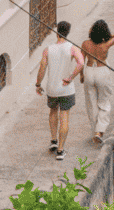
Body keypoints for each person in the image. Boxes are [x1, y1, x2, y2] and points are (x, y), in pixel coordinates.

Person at [35, 20, 83, 160]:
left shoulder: (48, 49)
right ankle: (61, 150)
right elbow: (80, 63)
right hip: (66, 89)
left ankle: (53, 141)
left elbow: (42, 68)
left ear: (57, 32)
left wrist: (38, 84)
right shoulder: (73, 48)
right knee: (64, 117)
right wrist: (70, 77)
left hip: (52, 89)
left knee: (53, 112)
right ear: (68, 32)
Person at [80, 19, 114, 143]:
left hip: (89, 71)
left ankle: (95, 130)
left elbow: (81, 62)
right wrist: (105, 35)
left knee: (91, 102)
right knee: (104, 101)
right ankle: (99, 131)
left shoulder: (85, 44)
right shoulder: (106, 45)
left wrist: (81, 75)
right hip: (102, 71)